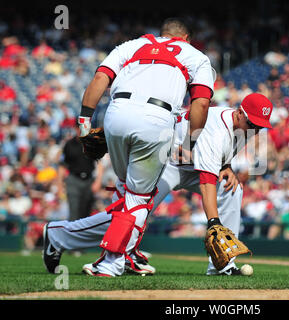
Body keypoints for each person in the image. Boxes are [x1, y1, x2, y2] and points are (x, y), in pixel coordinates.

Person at [43, 18, 215, 277]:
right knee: (138, 199)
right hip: (156, 120)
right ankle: (111, 262)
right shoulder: (196, 56)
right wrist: (190, 143)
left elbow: (100, 78)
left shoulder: (131, 45)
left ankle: (74, 239)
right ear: (186, 38)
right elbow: (200, 104)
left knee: (125, 195)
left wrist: (84, 124)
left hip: (116, 114)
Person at [42, 93, 273, 276]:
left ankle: (223, 264)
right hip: (165, 163)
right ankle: (59, 234)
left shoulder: (246, 127)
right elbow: (206, 183)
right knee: (132, 216)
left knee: (231, 189)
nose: (257, 128)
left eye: (261, 125)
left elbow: (221, 157)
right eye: (253, 122)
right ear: (239, 112)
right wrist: (214, 223)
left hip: (191, 164)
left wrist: (227, 166)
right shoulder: (216, 129)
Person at [56, 123, 104, 221]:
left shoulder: (91, 143)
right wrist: (59, 185)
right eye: (79, 128)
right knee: (74, 213)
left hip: (89, 180)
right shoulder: (69, 144)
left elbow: (99, 163)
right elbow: (62, 166)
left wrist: (98, 181)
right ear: (75, 128)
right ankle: (72, 235)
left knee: (86, 214)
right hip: (73, 180)